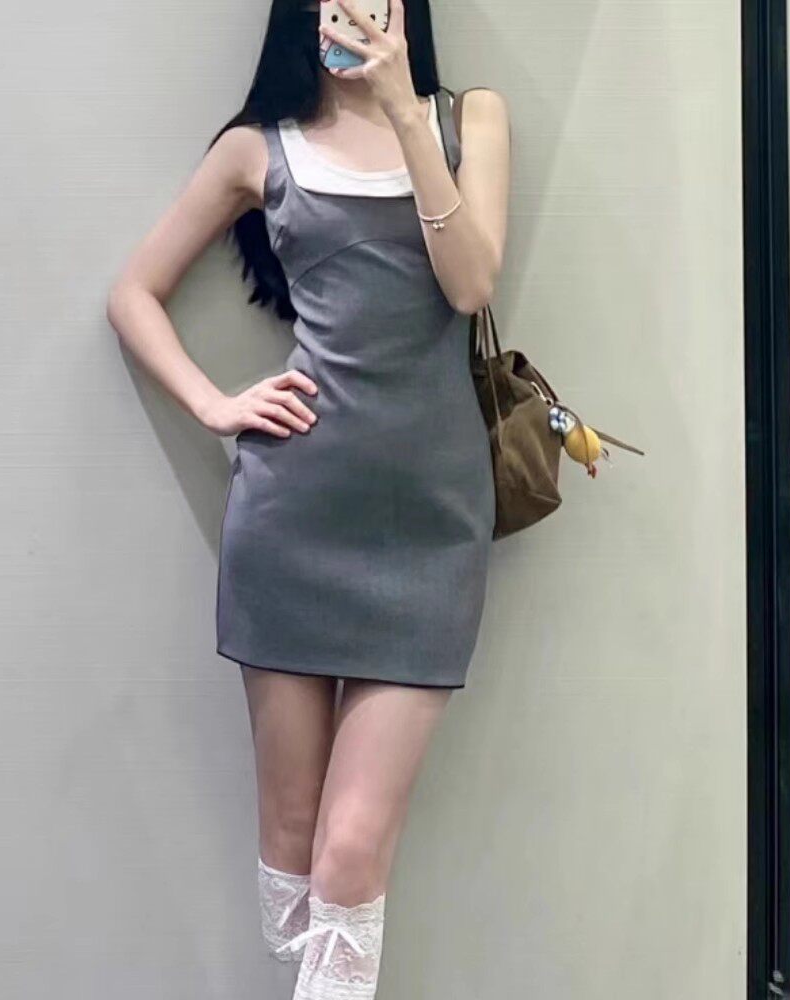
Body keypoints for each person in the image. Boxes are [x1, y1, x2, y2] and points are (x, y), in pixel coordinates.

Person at [106, 0, 510, 995]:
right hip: (292, 520)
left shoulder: (470, 119)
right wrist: (215, 403)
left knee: (352, 848)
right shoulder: (260, 149)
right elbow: (132, 293)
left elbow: (471, 286)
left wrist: (405, 111)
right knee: (291, 841)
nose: (357, 11)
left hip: (432, 526)